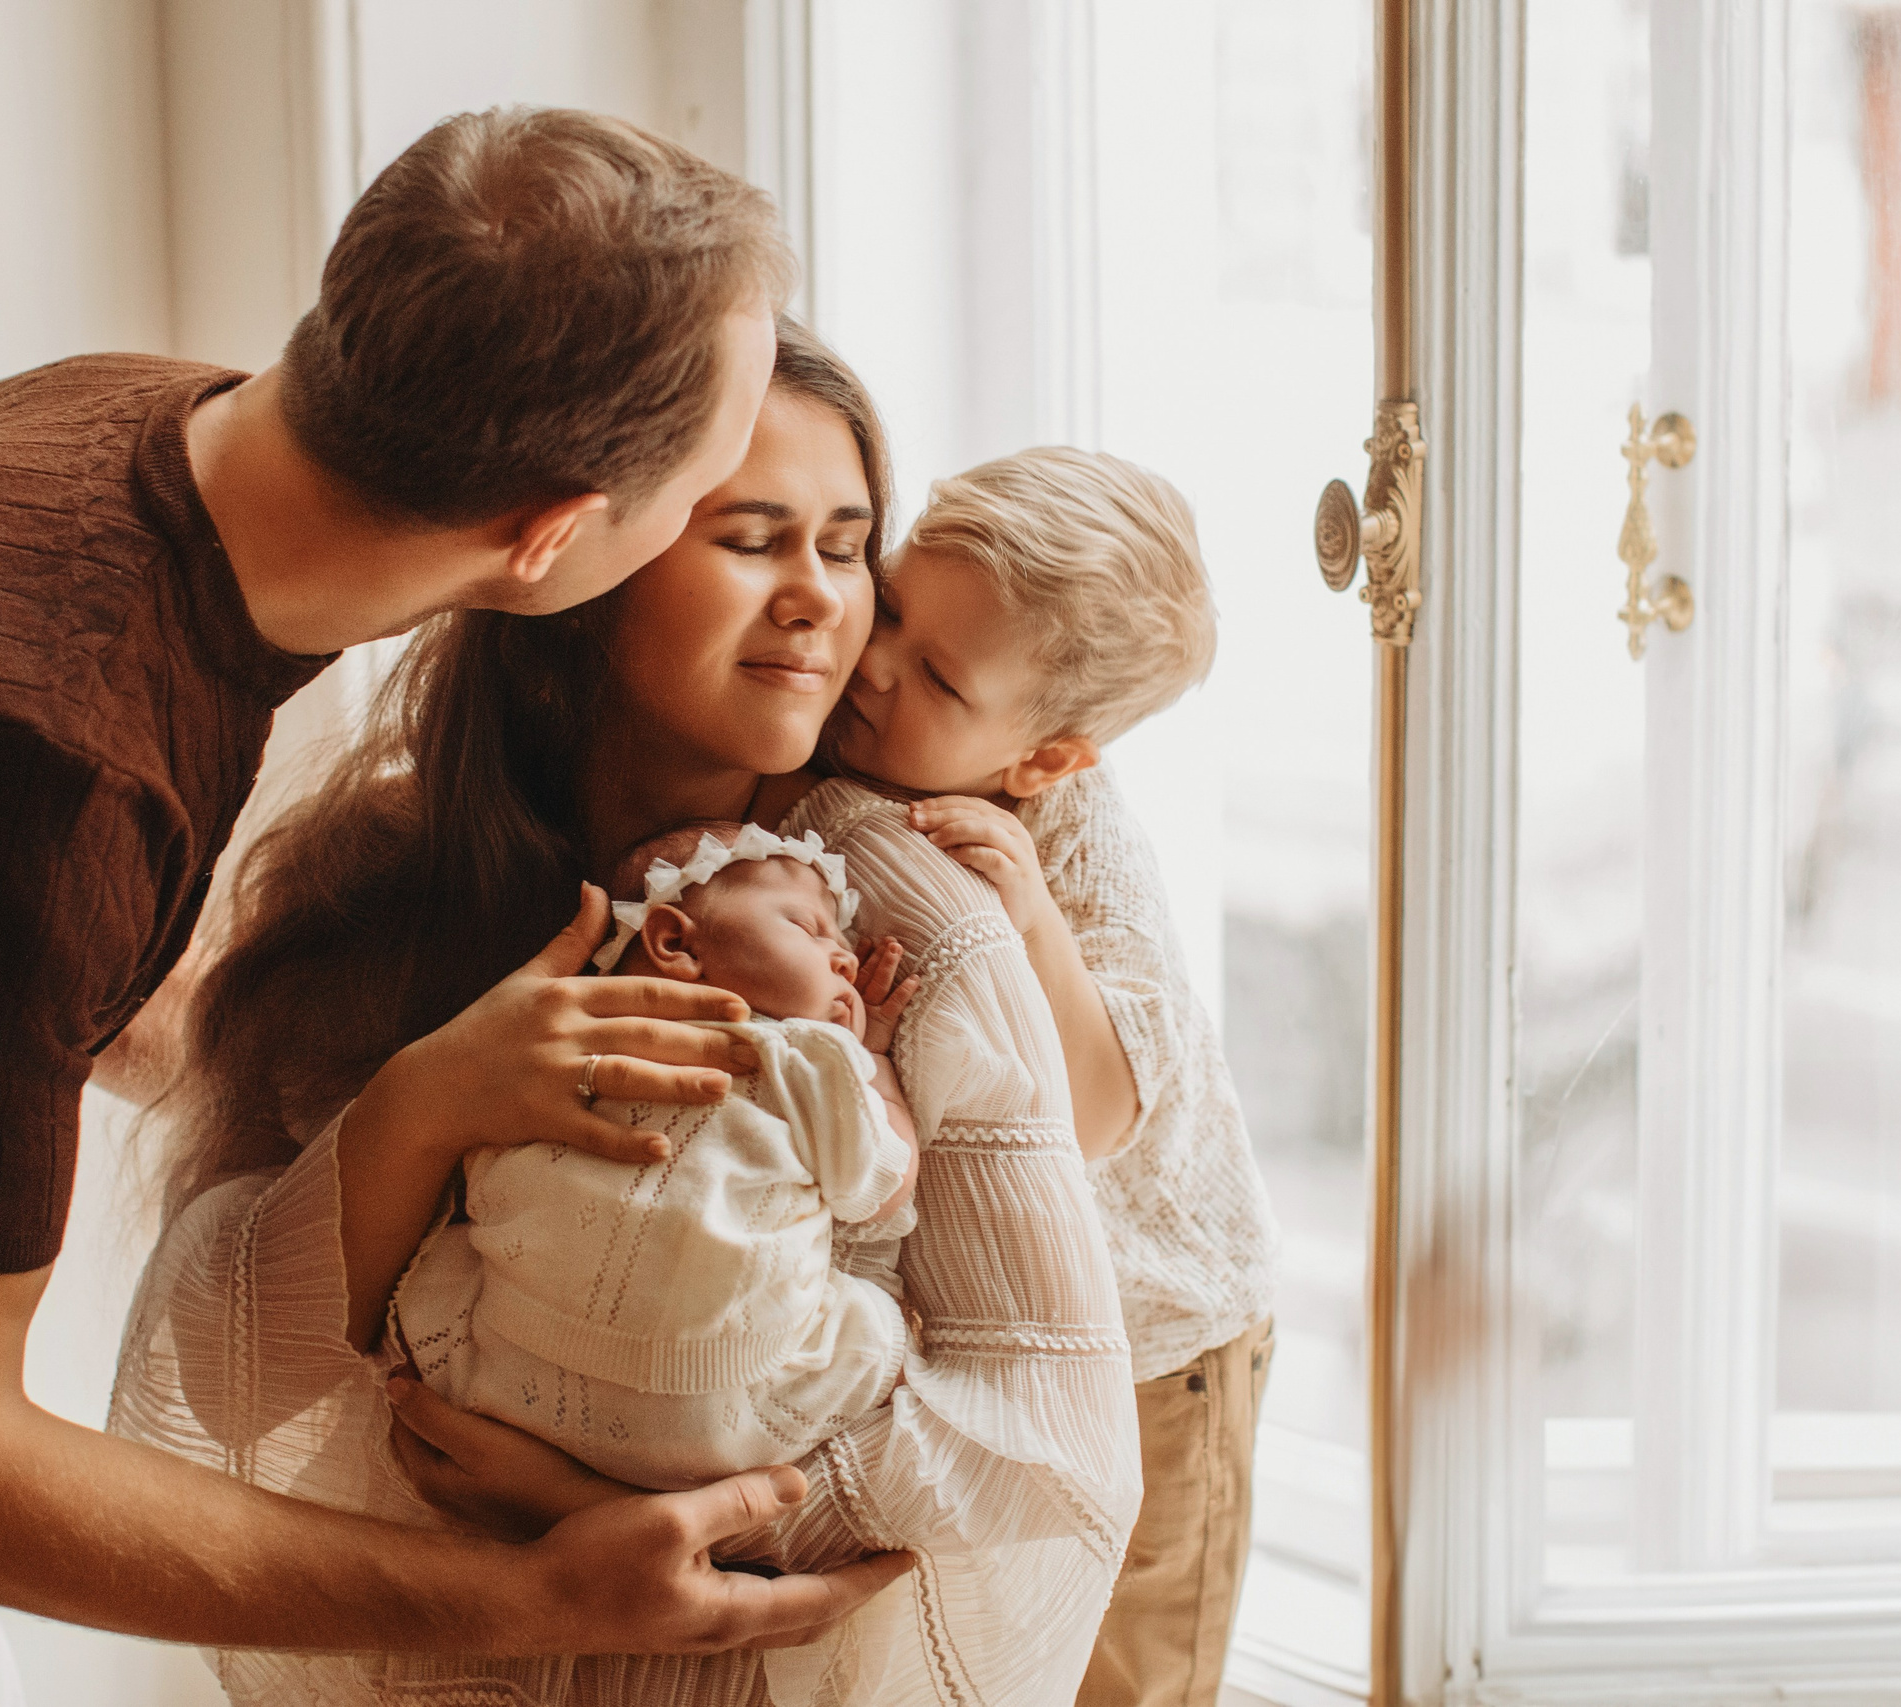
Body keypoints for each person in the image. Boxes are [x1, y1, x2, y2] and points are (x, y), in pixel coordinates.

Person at [0, 107, 920, 1704]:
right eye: (713, 505)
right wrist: (521, 1593)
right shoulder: (19, 747)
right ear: (552, 535)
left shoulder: (148, 434)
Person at [112, 319, 1142, 1706]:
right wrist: (428, 1105)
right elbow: (226, 1371)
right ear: (587, 556)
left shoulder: (904, 921)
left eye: (846, 549)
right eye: (753, 537)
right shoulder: (379, 884)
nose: (818, 602)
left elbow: (1053, 1449)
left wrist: (582, 1496)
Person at [820, 448, 1278, 1706]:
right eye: (896, 607)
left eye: (938, 677)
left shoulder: (1070, 837)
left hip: (1162, 1340)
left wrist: (1028, 922)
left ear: (1044, 760)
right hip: (1000, 1345)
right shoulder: (849, 738)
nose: (873, 665)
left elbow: (1100, 1108)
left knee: (1131, 1666)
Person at [385, 822, 922, 1492]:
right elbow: (886, 1184)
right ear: (674, 941)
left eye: (841, 945)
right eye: (808, 926)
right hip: (723, 1412)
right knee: (881, 1328)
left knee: (442, 1259)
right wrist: (872, 1061)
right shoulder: (806, 1057)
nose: (842, 957)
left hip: (508, 1371)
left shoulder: (555, 1048)